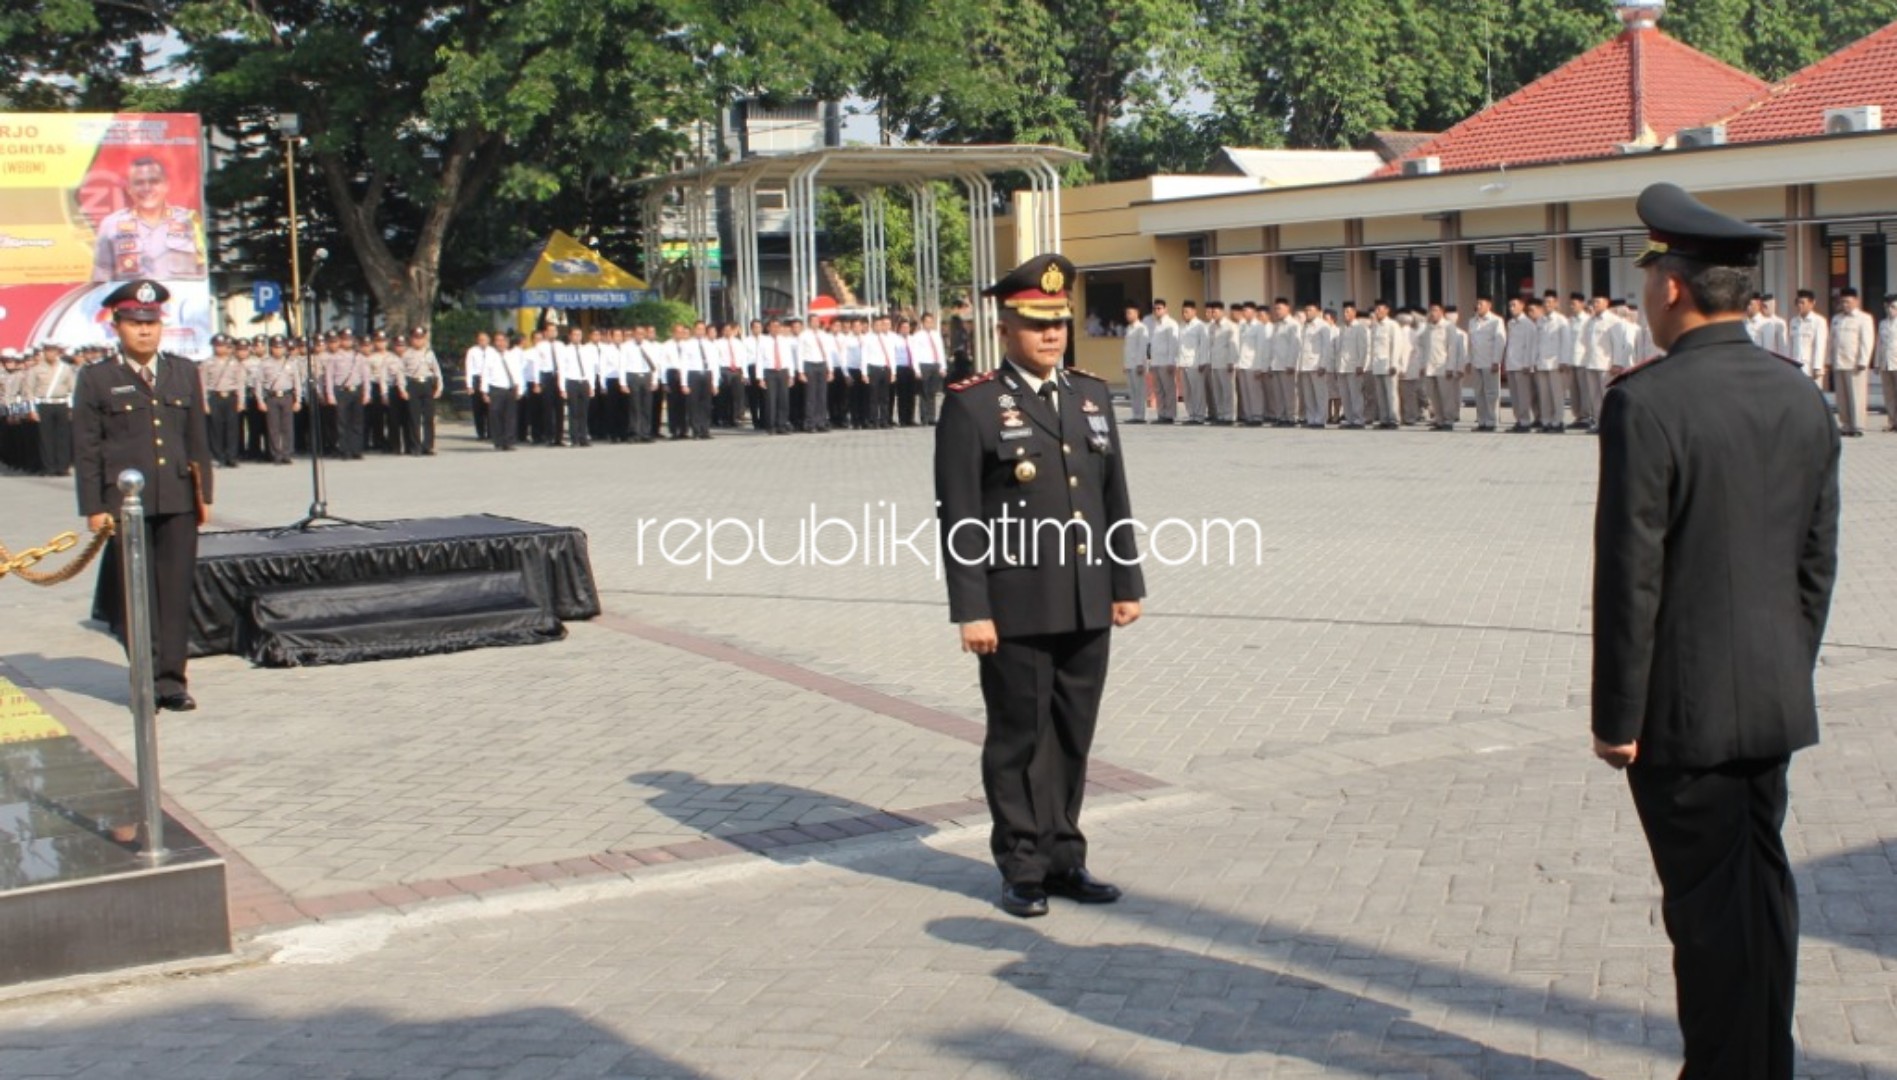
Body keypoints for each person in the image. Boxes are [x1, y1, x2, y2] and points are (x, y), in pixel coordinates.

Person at [1592, 182, 1839, 1080]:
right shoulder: (1798, 396)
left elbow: (1631, 575)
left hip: (1681, 718)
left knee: (1703, 912)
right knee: (1760, 895)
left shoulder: (1645, 404)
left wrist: (1616, 717)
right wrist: (1782, 667)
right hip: (1771, 700)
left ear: (1671, 288)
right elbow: (1815, 561)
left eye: (1646, 278)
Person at [933, 253, 1144, 920]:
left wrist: (1125, 580)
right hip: (1015, 602)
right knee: (1019, 735)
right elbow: (960, 516)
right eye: (1035, 323)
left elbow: (1112, 496)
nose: (1050, 335)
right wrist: (971, 609)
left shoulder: (1087, 394)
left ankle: (1064, 856)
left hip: (1086, 595)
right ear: (1005, 328)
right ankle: (1021, 865)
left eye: (1058, 323)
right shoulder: (972, 405)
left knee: (1073, 733)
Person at [71, 280, 215, 712]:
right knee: (137, 595)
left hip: (177, 500)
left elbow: (196, 440)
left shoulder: (182, 372)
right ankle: (145, 681)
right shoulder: (97, 378)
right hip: (124, 507)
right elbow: (87, 448)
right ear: (117, 326)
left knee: (174, 593)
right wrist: (94, 508)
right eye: (135, 323)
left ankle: (172, 681)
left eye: (151, 323)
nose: (145, 332)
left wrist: (203, 494)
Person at [90, 158, 208, 282]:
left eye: (154, 181)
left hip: (180, 300)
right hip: (130, 300)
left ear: (166, 185)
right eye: (139, 183)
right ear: (129, 188)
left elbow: (205, 271)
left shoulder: (190, 221)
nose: (147, 188)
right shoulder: (111, 225)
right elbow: (100, 280)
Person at [1828, 288, 1874, 438]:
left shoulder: (1864, 318)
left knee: (1856, 396)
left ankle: (1858, 425)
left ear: (1856, 301)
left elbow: (1867, 341)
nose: (1845, 304)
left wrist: (1863, 360)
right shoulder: (1837, 319)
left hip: (1854, 363)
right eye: (1842, 302)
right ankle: (1846, 424)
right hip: (1839, 362)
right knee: (1842, 397)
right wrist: (1828, 360)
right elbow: (1831, 341)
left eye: (1847, 301)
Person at [398, 326, 444, 454]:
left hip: (427, 385)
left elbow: (437, 371)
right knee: (414, 418)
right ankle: (415, 446)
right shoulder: (406, 354)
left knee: (429, 417)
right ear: (411, 339)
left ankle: (428, 446)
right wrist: (402, 389)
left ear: (424, 339)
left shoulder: (429, 353)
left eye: (421, 338)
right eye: (415, 338)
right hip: (413, 384)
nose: (418, 341)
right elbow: (400, 373)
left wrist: (439, 387)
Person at [1119, 303, 1149, 424]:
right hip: (1130, 364)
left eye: (1130, 313)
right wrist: (1126, 364)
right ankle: (1135, 414)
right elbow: (1127, 348)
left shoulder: (1141, 328)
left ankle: (1141, 415)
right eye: (1126, 313)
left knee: (1140, 391)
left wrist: (1141, 363)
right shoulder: (1129, 328)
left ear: (1137, 313)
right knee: (1132, 391)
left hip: (1138, 364)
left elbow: (1142, 347)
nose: (1127, 316)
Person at [1879, 295, 1897, 433]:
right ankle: (1892, 421)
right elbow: (1879, 344)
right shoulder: (1883, 324)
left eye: (1893, 307)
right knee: (1889, 394)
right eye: (1888, 307)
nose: (1890, 310)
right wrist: (1876, 363)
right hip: (1885, 363)